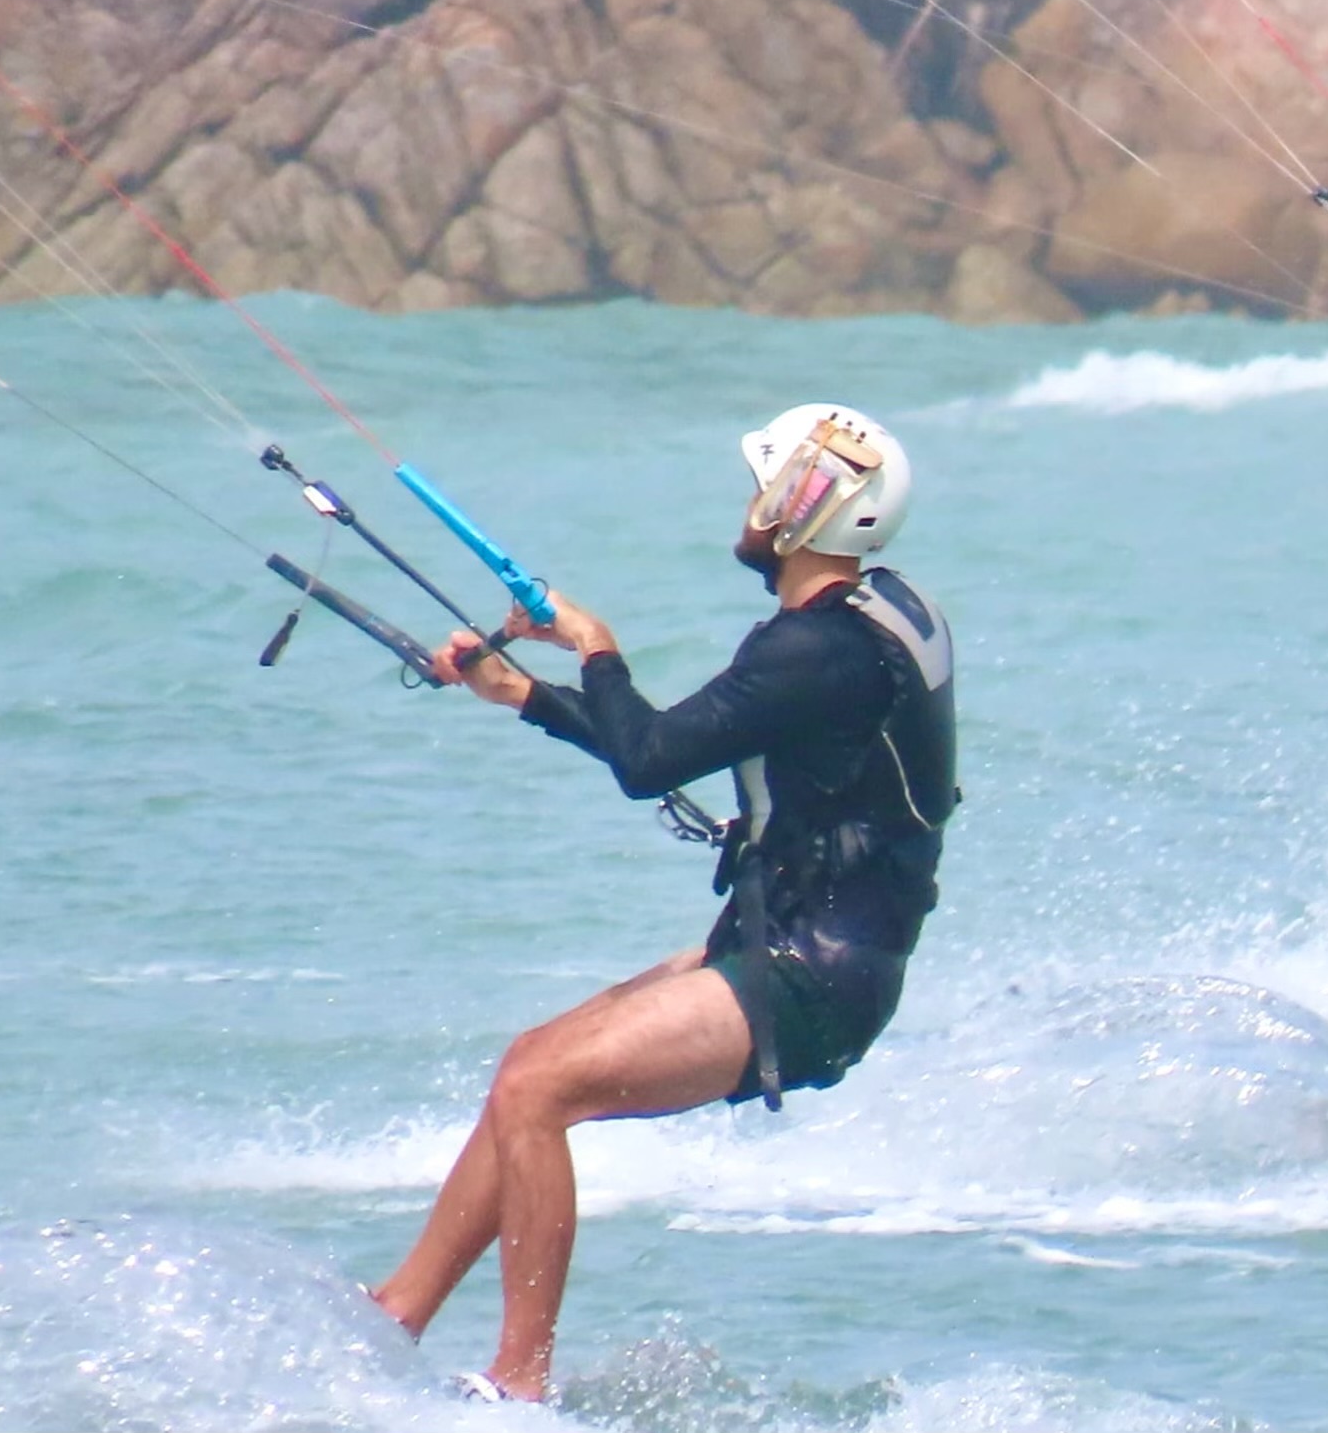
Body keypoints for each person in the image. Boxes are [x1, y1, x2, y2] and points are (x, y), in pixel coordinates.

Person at [372, 404, 955, 1402]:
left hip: (811, 973)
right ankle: (398, 1313)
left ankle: (520, 1383)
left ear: (797, 508)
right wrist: (526, 696)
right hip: (802, 942)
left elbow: (648, 760)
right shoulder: (870, 619)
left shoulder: (812, 652)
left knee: (539, 1088)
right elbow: (675, 743)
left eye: (764, 486)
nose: (749, 503)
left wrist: (593, 644)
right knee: (527, 1066)